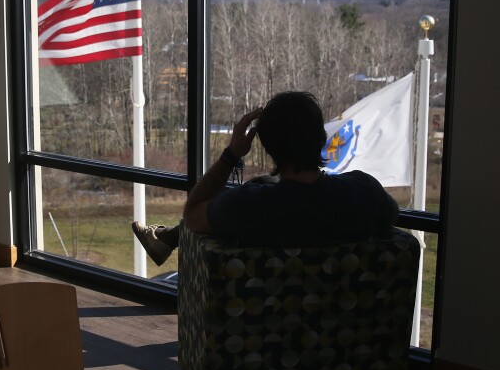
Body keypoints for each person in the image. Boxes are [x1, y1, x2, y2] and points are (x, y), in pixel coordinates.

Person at [131, 91, 399, 266]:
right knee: (262, 184)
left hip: (259, 341)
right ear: (322, 138)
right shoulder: (365, 193)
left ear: (269, 147)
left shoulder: (248, 207)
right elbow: (392, 214)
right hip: (350, 339)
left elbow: (192, 214)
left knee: (260, 185)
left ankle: (166, 238)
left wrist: (231, 154)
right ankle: (165, 238)